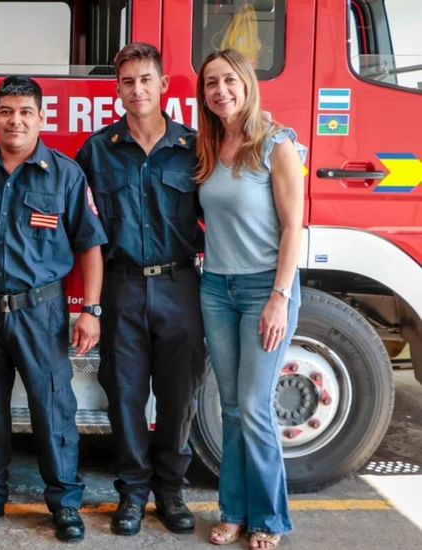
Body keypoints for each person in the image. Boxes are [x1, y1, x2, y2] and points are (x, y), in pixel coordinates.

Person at [0, 75, 107, 543]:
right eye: (6, 111)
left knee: (53, 408)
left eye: (25, 112)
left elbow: (90, 247)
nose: (15, 120)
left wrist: (90, 310)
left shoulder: (66, 175)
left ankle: (65, 503)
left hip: (40, 312)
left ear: (41, 118)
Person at [75, 42, 206, 537]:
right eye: (127, 82)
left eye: (145, 79)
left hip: (180, 285)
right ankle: (131, 495)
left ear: (163, 85)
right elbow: (78, 224)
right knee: (125, 397)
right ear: (117, 89)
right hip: (122, 287)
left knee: (179, 398)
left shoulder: (194, 147)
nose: (137, 90)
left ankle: (170, 493)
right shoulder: (97, 150)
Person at [195, 49, 304, 550]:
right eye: (211, 83)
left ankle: (270, 519)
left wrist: (280, 297)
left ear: (247, 83)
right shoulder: (211, 144)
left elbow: (293, 228)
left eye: (229, 80)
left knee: (256, 408)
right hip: (217, 288)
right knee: (234, 409)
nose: (220, 90)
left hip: (265, 288)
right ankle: (233, 511)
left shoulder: (277, 143)